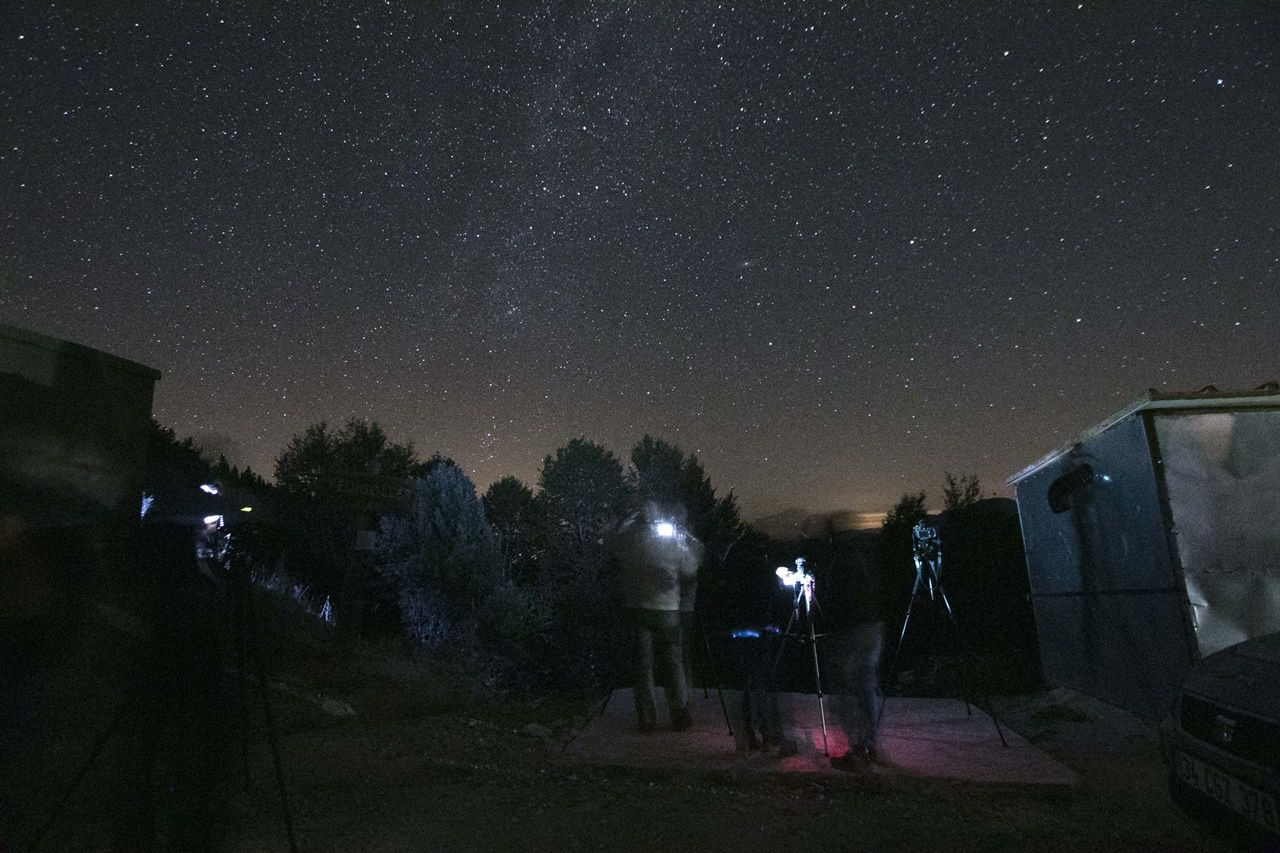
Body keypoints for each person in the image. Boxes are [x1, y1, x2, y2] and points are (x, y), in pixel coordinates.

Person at [614, 500, 703, 732]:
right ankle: (680, 714)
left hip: (636, 609)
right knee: (673, 663)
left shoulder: (630, 538)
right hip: (667, 611)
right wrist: (684, 537)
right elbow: (691, 567)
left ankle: (647, 719)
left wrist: (629, 520)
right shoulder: (671, 539)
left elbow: (613, 544)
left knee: (643, 667)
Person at [821, 549, 887, 769]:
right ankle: (872, 746)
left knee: (845, 692)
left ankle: (856, 752)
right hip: (873, 627)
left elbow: (833, 608)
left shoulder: (837, 568)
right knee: (867, 688)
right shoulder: (863, 565)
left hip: (851, 630)